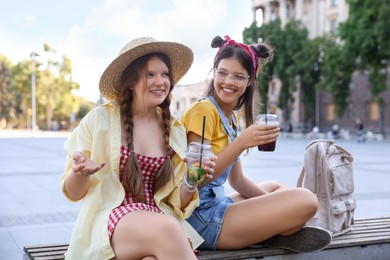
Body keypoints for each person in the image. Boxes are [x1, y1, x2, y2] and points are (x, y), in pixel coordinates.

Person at [60, 37, 215, 259]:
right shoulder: (99, 120)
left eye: (164, 74)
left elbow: (175, 203)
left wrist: (191, 180)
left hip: (156, 218)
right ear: (130, 81)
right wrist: (79, 172)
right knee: (169, 229)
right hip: (112, 220)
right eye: (149, 74)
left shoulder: (174, 130)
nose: (160, 81)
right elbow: (74, 192)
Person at [181, 35, 332, 252]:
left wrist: (275, 206)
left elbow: (238, 180)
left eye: (238, 76)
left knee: (275, 187)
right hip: (201, 220)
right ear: (214, 72)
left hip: (217, 206)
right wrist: (241, 142)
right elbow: (196, 181)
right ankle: (274, 231)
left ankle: (271, 229)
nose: (228, 82)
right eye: (222, 73)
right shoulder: (203, 111)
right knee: (306, 200)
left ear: (250, 80)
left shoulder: (229, 118)